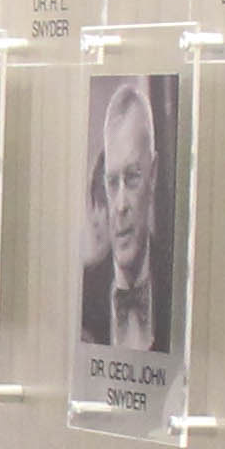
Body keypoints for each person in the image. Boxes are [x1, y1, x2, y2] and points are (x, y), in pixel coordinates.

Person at [79, 72, 171, 354]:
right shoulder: (84, 292)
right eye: (111, 181)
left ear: (153, 175)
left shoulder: (176, 282)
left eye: (132, 178)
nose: (120, 205)